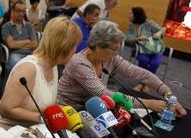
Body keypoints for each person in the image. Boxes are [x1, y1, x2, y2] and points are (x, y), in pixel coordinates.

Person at [57, 21, 187, 117]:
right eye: (113, 49)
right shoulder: (79, 63)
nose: (116, 53)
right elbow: (105, 94)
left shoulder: (110, 58)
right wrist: (148, 104)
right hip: (69, 110)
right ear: (98, 46)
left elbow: (141, 74)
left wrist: (168, 95)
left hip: (93, 108)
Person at [0, 17, 82, 137]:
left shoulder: (53, 66)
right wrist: (45, 118)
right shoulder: (28, 69)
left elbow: (46, 105)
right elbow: (6, 110)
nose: (75, 51)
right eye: (74, 46)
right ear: (63, 47)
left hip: (26, 129)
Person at [126, 7, 166, 93]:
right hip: (140, 49)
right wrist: (137, 39)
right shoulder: (131, 25)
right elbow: (127, 39)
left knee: (155, 63)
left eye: (131, 13)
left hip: (155, 49)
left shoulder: (149, 23)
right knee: (143, 60)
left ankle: (144, 84)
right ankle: (144, 84)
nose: (129, 15)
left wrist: (159, 33)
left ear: (136, 15)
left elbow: (163, 29)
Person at [2, 0, 37, 73]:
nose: (21, 13)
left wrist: (16, 43)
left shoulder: (29, 26)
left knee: (38, 66)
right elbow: (11, 45)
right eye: (18, 11)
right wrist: (26, 41)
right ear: (13, 11)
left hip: (30, 54)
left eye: (23, 11)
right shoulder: (6, 26)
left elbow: (34, 44)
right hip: (15, 54)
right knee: (19, 68)